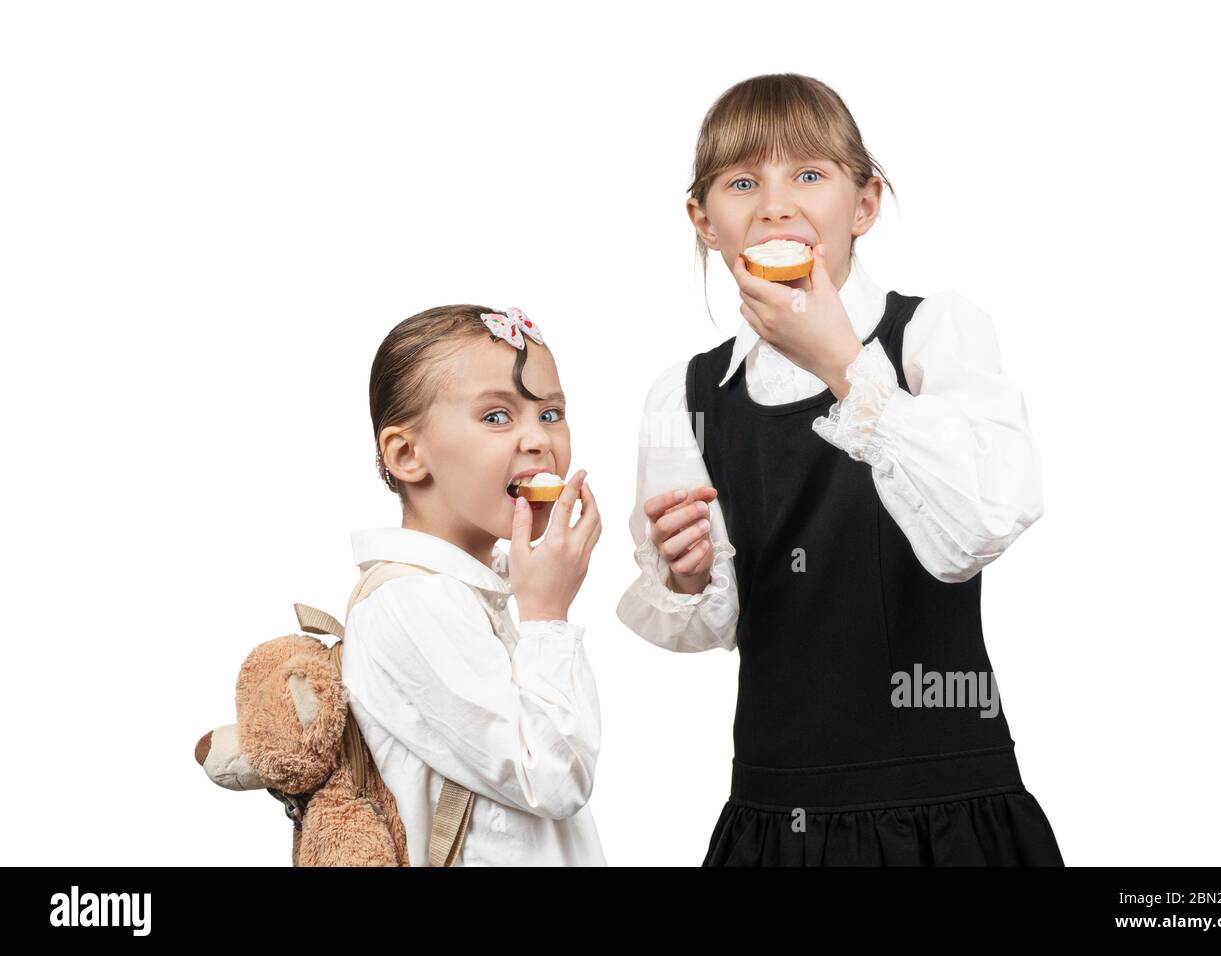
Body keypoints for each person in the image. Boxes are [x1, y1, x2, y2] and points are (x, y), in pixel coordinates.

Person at [617, 73, 1064, 865]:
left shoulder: (932, 336)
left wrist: (845, 366)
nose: (777, 204)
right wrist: (684, 579)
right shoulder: (686, 394)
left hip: (944, 812)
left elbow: (987, 519)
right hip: (775, 817)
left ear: (864, 205)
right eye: (743, 181)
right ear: (704, 220)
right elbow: (715, 620)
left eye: (810, 175)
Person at [344, 304, 605, 865]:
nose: (539, 440)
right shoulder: (412, 601)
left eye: (552, 413)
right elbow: (553, 778)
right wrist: (547, 616)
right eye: (496, 417)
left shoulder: (470, 593)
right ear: (408, 455)